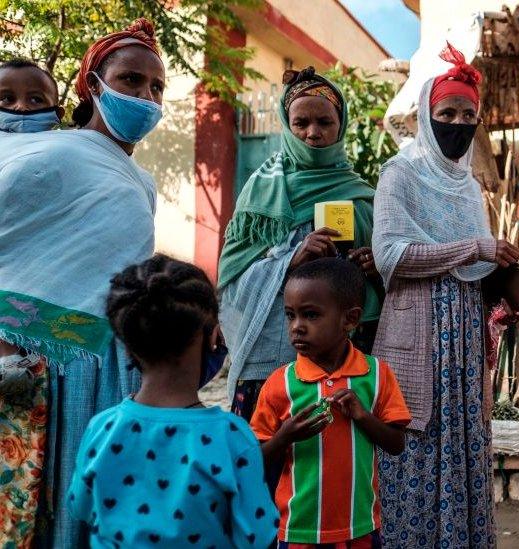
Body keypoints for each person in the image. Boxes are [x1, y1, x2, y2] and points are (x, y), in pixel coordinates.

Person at [0, 19, 164, 547]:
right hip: (23, 356)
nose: (146, 96)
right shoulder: (52, 152)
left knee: (76, 506)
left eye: (157, 87)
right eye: (131, 81)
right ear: (92, 84)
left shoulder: (144, 182)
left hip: (101, 365)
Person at [371, 43, 519, 548]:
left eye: (468, 115)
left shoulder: (469, 187)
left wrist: (504, 275)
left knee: (464, 444)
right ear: (424, 116)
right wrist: (474, 248)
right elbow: (391, 254)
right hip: (417, 330)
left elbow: (475, 267)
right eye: (447, 113)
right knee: (412, 444)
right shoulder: (400, 174)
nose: (458, 123)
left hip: (463, 336)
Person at [66, 255, 279, 547]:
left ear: (128, 347)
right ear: (213, 336)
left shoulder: (101, 429)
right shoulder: (231, 437)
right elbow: (256, 535)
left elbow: (81, 506)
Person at [219, 67, 381, 426]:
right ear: (286, 125)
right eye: (301, 122)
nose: (313, 133)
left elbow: (383, 290)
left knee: (330, 465)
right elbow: (232, 281)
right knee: (268, 463)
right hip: (271, 365)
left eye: (324, 122)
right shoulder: (260, 193)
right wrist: (289, 259)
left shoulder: (362, 196)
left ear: (341, 125)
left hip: (345, 363)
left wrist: (376, 266)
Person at [250, 258, 410, 548]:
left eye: (310, 315)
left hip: (359, 527)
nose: (297, 327)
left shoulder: (377, 375)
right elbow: (252, 459)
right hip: (298, 530)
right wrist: (286, 436)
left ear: (350, 319)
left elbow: (397, 444)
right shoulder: (279, 383)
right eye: (290, 315)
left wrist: (363, 416)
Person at [0, 59, 63, 133]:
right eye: (7, 99)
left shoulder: (73, 142)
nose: (21, 107)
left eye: (36, 99)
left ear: (58, 114)